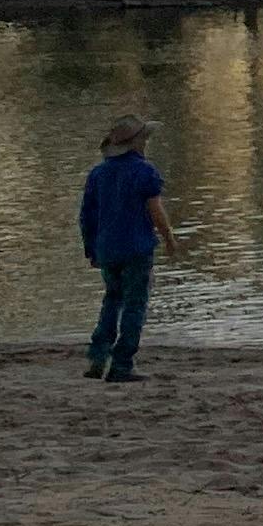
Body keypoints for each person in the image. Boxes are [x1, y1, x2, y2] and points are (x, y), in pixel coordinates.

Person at [77, 114, 180, 383]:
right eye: (144, 139)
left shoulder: (98, 174)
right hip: (137, 247)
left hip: (107, 249)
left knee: (112, 301)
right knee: (135, 305)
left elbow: (87, 216)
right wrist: (169, 238)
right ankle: (122, 364)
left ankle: (97, 358)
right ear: (137, 143)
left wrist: (91, 250)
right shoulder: (144, 171)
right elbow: (155, 210)